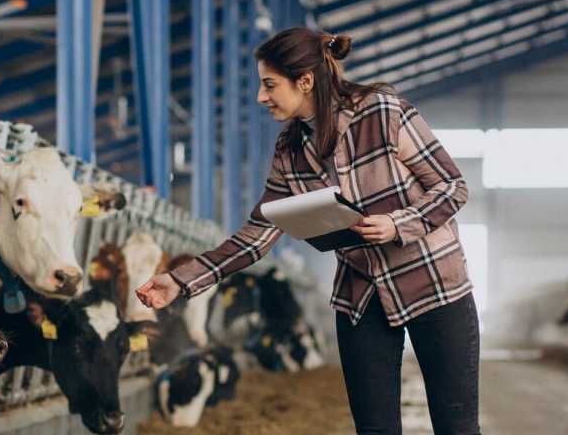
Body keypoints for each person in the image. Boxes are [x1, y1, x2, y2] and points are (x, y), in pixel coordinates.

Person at [135, 27, 479, 435]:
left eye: (269, 84)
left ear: (305, 81)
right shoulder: (289, 151)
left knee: (456, 427)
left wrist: (397, 223)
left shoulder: (383, 111)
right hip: (361, 296)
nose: (262, 97)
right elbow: (256, 235)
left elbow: (452, 186)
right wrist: (180, 280)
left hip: (434, 284)